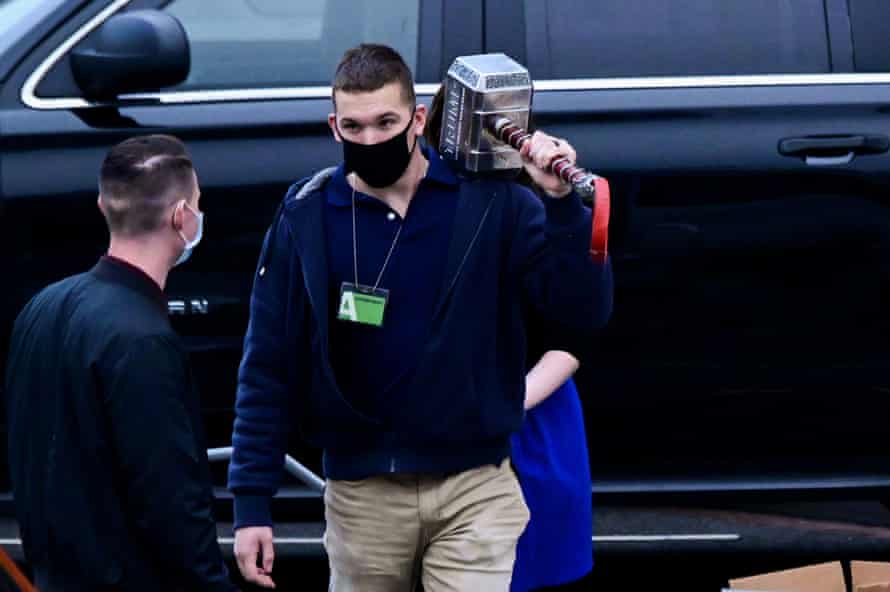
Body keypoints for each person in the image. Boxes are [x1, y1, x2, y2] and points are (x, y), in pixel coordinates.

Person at [229, 43, 612, 592]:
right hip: (362, 492)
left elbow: (581, 311)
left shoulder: (491, 203)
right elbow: (266, 365)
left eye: (386, 122)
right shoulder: (306, 214)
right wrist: (251, 504)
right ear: (333, 127)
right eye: (354, 127)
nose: (370, 140)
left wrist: (560, 208)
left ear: (418, 119)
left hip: (474, 485)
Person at [4, 135, 237, 591]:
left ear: (102, 205)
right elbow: (170, 502)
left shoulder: (42, 307)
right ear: (182, 217)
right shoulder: (142, 339)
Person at [426, 87, 596, 592]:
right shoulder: (409, 210)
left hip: (527, 427)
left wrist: (505, 402)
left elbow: (573, 336)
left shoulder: (536, 211)